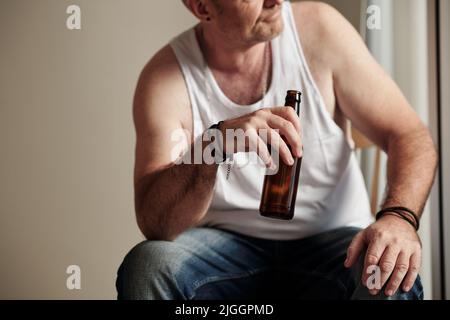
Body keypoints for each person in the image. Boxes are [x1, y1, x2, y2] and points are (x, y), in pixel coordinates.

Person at [116, 0, 437, 300]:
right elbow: (156, 223)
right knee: (147, 265)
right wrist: (213, 146)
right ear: (202, 7)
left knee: (386, 268)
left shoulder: (320, 30)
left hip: (336, 244)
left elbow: (409, 134)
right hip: (222, 252)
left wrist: (399, 217)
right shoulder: (165, 79)